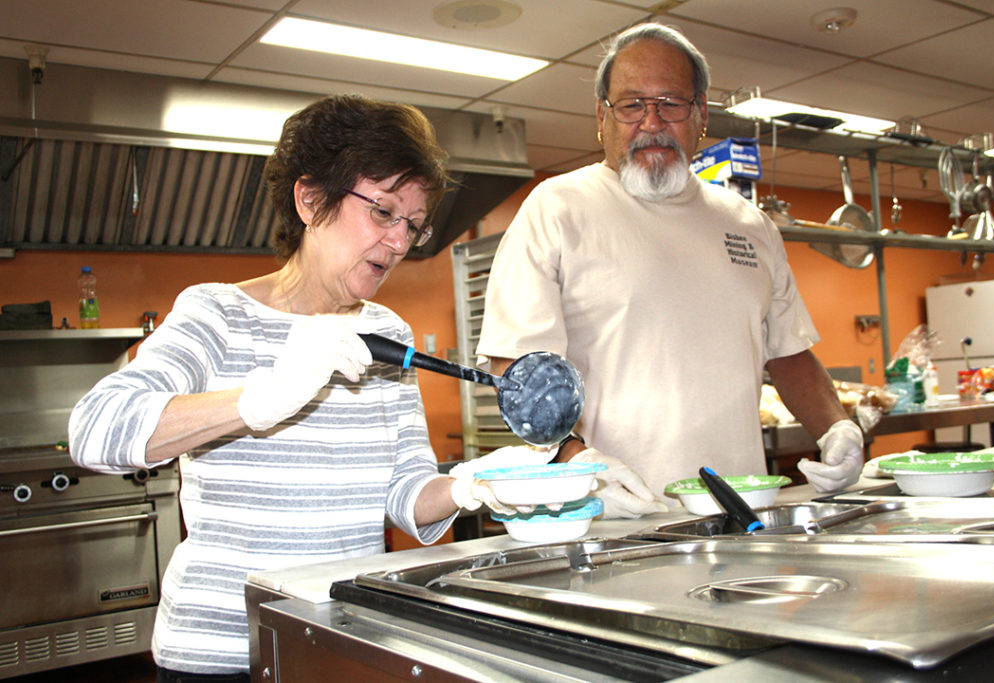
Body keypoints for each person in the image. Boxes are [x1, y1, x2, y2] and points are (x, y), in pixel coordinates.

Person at [69, 94, 521, 681]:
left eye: (413, 224)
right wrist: (256, 399)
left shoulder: (387, 333)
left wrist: (474, 485)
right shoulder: (217, 314)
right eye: (383, 212)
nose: (399, 242)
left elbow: (406, 494)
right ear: (311, 200)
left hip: (338, 645)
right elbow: (95, 429)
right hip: (223, 653)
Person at [475, 23, 863, 519]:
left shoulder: (753, 226)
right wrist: (576, 459)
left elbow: (788, 354)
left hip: (742, 510)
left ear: (700, 114)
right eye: (632, 105)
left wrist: (837, 428)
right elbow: (517, 370)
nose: (652, 122)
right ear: (602, 116)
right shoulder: (558, 208)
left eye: (672, 104)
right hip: (612, 516)